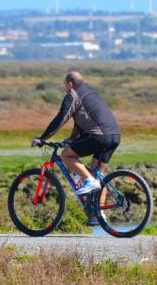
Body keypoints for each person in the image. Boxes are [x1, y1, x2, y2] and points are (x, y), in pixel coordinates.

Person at [32, 71, 121, 222]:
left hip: (99, 135)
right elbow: (82, 120)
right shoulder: (92, 92)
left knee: (66, 155)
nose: (65, 89)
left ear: (70, 84)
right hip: (115, 136)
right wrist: (73, 139)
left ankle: (89, 182)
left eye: (65, 86)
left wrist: (42, 138)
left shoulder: (73, 95)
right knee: (97, 173)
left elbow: (61, 118)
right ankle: (99, 214)